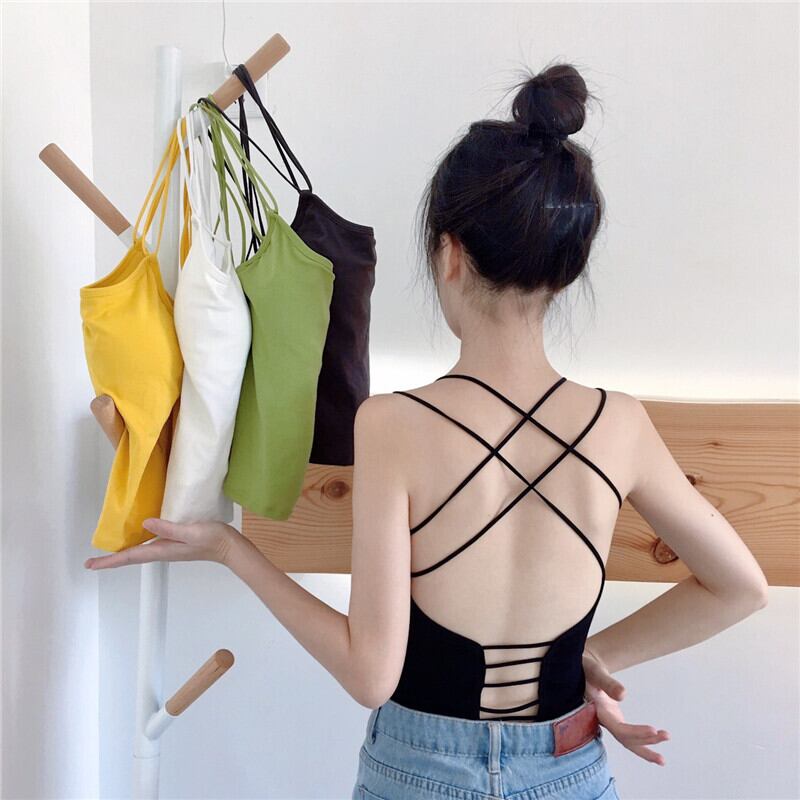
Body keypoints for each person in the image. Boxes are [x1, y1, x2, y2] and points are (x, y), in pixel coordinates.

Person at [85, 62, 769, 799]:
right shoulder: (620, 424)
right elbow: (740, 588)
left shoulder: (394, 424)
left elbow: (370, 675)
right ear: (566, 272)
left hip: (420, 773)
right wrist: (592, 658)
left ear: (449, 254)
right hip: (569, 767)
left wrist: (231, 549)